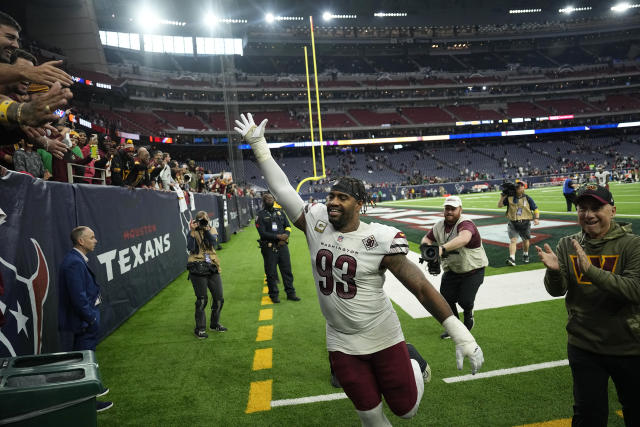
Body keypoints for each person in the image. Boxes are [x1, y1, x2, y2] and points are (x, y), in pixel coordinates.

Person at [235, 113, 483, 426]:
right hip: (340, 340)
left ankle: (414, 363)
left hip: (382, 334)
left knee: (406, 410)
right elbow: (283, 189)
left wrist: (459, 332)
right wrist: (259, 146)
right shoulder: (317, 222)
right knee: (369, 417)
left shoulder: (379, 238)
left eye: (342, 197)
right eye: (331, 196)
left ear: (360, 204)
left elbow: (419, 286)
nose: (333, 202)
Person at [535, 184, 640, 426]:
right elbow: (556, 290)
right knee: (588, 416)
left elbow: (635, 290)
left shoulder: (632, 245)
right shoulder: (566, 245)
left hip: (630, 347)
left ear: (612, 211)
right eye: (583, 208)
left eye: (596, 208)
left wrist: (591, 271)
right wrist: (552, 272)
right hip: (584, 346)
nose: (588, 214)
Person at [58, 226, 113, 412]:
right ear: (81, 241)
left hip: (85, 321)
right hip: (83, 322)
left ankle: (88, 393)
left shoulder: (76, 260)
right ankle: (87, 403)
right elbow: (78, 298)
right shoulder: (73, 262)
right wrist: (91, 319)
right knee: (84, 363)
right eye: (92, 237)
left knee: (83, 360)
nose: (95, 240)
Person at [420, 195, 488, 339]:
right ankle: (456, 328)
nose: (449, 211)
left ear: (460, 209)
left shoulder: (466, 224)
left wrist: (441, 249)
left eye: (453, 209)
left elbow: (464, 238)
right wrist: (425, 248)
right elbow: (427, 238)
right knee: (445, 300)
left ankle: (468, 314)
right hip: (452, 269)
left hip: (472, 269)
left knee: (465, 301)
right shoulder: (439, 225)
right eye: (447, 209)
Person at [187, 211, 226, 338]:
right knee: (202, 300)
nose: (203, 222)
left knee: (219, 298)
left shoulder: (212, 229)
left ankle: (214, 324)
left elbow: (213, 243)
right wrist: (192, 231)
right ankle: (200, 328)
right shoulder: (193, 232)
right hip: (197, 267)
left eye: (205, 220)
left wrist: (206, 229)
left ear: (208, 220)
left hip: (212, 266)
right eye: (200, 220)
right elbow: (191, 248)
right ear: (196, 221)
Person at [255, 192, 300, 303]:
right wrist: (278, 237)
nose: (270, 199)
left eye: (271, 198)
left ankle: (291, 293)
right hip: (269, 248)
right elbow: (262, 233)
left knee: (287, 271)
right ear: (263, 201)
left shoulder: (280, 212)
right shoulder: (260, 215)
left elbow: (288, 226)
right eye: (267, 198)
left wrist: (285, 237)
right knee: (271, 273)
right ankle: (274, 295)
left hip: (283, 246)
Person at [498, 181, 540, 266]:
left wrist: (536, 218)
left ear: (523, 188)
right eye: (517, 187)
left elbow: (535, 209)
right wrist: (502, 197)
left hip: (525, 222)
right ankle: (512, 258)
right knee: (513, 240)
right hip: (513, 222)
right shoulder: (509, 198)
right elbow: (499, 205)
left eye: (520, 186)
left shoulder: (527, 198)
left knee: (525, 240)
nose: (518, 188)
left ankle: (525, 254)